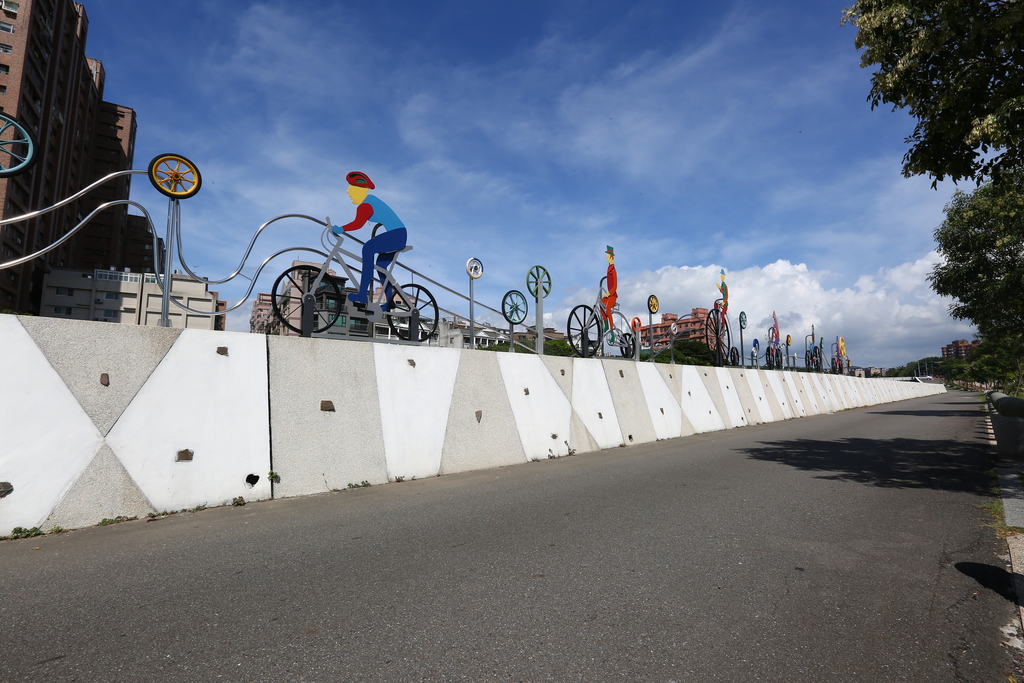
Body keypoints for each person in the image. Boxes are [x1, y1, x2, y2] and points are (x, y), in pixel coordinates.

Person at [331, 171, 407, 309]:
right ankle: (390, 301)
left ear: (360, 190)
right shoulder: (371, 200)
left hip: (396, 235)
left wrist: (340, 229)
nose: (348, 192)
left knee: (368, 248)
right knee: (381, 267)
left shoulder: (366, 205)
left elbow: (357, 224)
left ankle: (362, 294)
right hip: (399, 234)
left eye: (351, 189)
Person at [601, 245, 617, 335]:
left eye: (607, 257)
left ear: (611, 257)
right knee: (601, 304)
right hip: (609, 295)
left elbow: (615, 286)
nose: (607, 258)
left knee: (607, 309)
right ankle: (606, 324)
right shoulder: (609, 269)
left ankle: (612, 333)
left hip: (613, 295)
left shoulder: (613, 270)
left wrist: (609, 293)